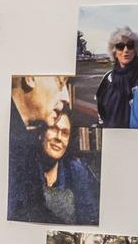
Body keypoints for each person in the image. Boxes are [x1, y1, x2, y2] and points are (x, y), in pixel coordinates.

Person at [7, 75, 98, 224]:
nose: (66, 98)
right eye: (60, 83)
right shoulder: (19, 151)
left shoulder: (77, 171)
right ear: (30, 78)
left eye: (65, 133)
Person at [95, 26, 138, 128]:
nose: (126, 50)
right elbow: (100, 107)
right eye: (120, 46)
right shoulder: (107, 78)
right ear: (114, 52)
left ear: (135, 50)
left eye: (130, 45)